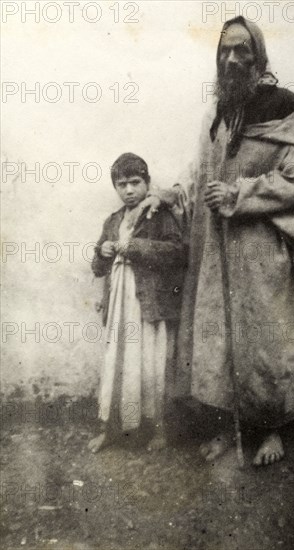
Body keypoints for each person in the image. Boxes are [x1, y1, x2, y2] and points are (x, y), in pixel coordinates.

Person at [141, 16, 294, 466]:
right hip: (217, 253)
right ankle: (225, 426)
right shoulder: (217, 112)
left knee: (264, 343)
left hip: (261, 250)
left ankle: (271, 432)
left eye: (243, 50)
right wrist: (168, 193)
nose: (233, 58)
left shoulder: (283, 105)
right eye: (225, 51)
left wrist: (240, 193)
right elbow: (200, 173)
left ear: (258, 57)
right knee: (218, 341)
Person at [89, 153, 187, 453]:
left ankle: (158, 429)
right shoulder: (113, 220)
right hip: (119, 302)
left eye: (135, 183)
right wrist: (102, 251)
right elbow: (97, 268)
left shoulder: (161, 215)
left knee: (150, 363)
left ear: (147, 183)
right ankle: (109, 429)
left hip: (148, 303)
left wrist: (136, 247)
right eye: (122, 184)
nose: (129, 190)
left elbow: (178, 252)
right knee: (117, 362)